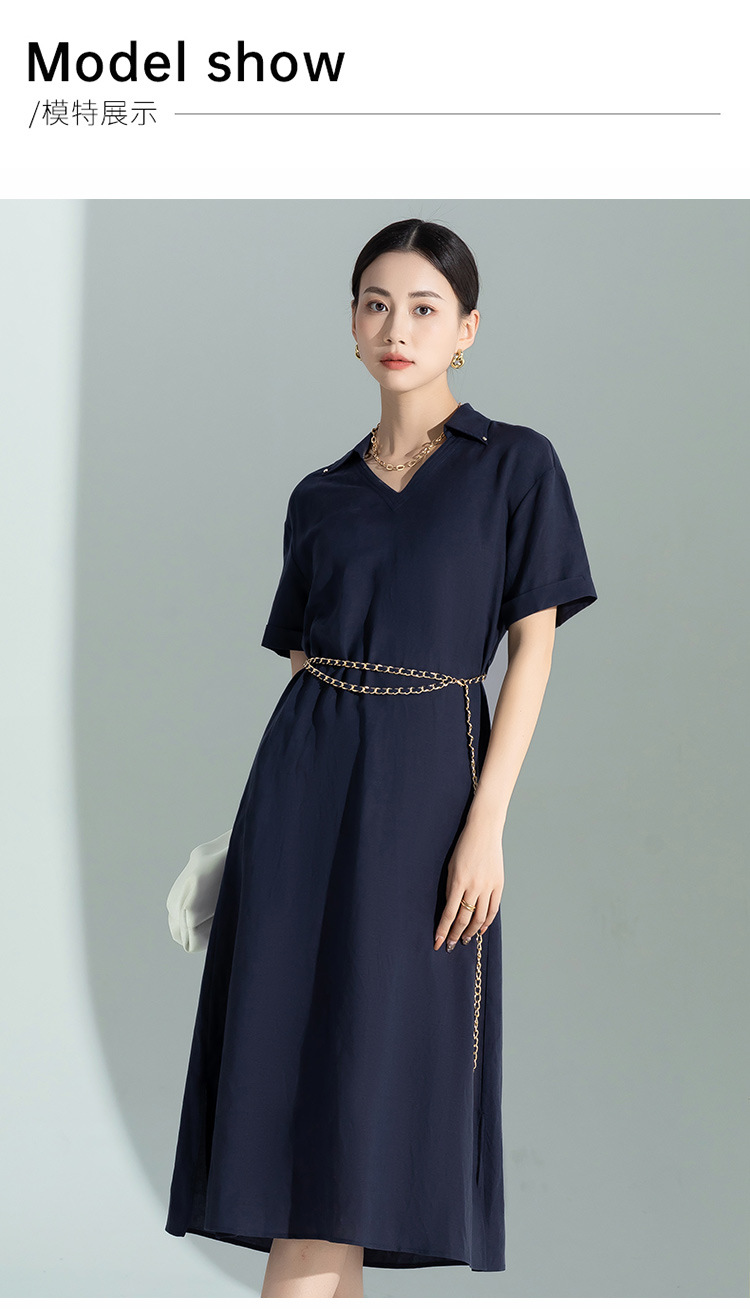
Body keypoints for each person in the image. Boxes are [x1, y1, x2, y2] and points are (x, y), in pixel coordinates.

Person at [164, 218, 598, 1297]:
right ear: (351, 325)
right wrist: (240, 841)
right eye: (374, 304)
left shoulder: (516, 466)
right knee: (299, 1124)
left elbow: (533, 652)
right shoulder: (320, 495)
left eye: (423, 307)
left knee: (360, 1120)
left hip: (428, 806)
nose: (395, 326)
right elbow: (306, 674)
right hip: (299, 812)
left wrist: (486, 826)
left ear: (467, 330)